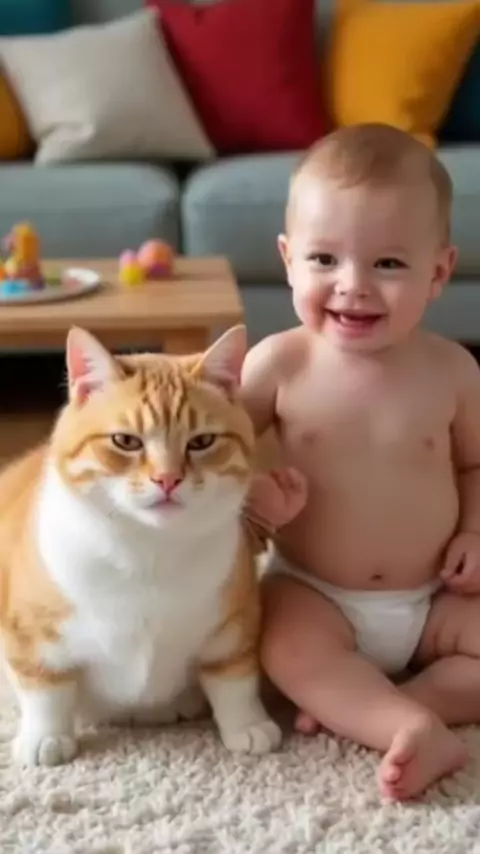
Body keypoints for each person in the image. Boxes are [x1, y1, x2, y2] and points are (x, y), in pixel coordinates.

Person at [241, 123, 480, 800]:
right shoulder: (278, 364)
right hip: (314, 590)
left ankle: (392, 706)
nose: (353, 286)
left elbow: (476, 468)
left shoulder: (454, 372)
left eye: (389, 264)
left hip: (437, 596)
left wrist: (475, 532)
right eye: (324, 259)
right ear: (288, 259)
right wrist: (257, 495)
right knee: (282, 644)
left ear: (438, 273)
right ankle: (402, 721)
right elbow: (218, 459)